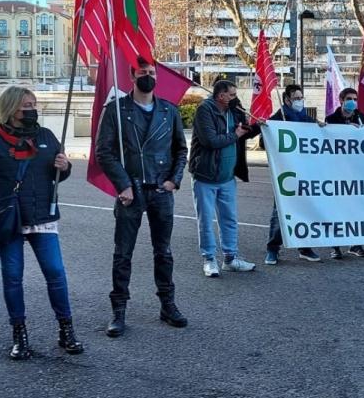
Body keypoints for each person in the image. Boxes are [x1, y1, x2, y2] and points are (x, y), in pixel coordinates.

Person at [0, 86, 83, 359]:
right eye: (25, 105)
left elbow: (56, 177)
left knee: (55, 273)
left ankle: (66, 330)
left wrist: (64, 168)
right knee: (13, 277)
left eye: (34, 104)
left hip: (42, 215)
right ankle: (19, 333)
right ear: (10, 109)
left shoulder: (47, 136)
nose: (31, 109)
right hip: (8, 218)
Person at [95, 59, 189, 336]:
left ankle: (168, 305)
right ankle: (119, 310)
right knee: (123, 254)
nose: (148, 77)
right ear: (131, 76)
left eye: (151, 73)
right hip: (131, 191)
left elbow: (180, 150)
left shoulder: (168, 111)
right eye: (142, 73)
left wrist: (174, 180)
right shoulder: (116, 110)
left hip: (161, 190)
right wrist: (122, 185)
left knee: (164, 252)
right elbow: (104, 152)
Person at [189, 80, 259, 276]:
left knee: (229, 219)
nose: (234, 97)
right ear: (220, 96)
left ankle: (230, 258)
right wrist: (235, 134)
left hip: (227, 177)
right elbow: (210, 141)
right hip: (205, 176)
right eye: (231, 94)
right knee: (206, 220)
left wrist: (258, 126)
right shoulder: (205, 110)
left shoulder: (234, 110)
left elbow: (243, 132)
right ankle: (209, 259)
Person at [264, 84, 324, 264]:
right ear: (287, 100)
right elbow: (263, 142)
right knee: (280, 212)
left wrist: (322, 128)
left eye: (301, 97)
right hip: (286, 173)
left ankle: (304, 247)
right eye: (296, 98)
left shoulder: (306, 120)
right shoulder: (277, 119)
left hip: (305, 173)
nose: (300, 101)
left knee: (305, 209)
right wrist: (266, 129)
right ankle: (273, 249)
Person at [325, 87, 364, 259]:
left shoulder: (361, 117)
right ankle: (334, 246)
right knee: (336, 210)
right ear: (341, 100)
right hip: (337, 171)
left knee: (356, 209)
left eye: (355, 98)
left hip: (356, 171)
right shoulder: (331, 119)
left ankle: (355, 244)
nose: (353, 102)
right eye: (349, 98)